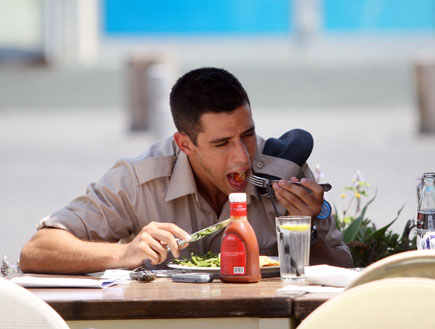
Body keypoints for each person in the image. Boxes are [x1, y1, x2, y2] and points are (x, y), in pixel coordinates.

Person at [20, 67, 353, 274]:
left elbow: (343, 270)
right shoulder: (140, 180)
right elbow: (37, 250)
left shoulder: (284, 171)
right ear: (185, 144)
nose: (242, 156)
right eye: (222, 144)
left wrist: (306, 230)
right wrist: (123, 252)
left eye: (248, 135)